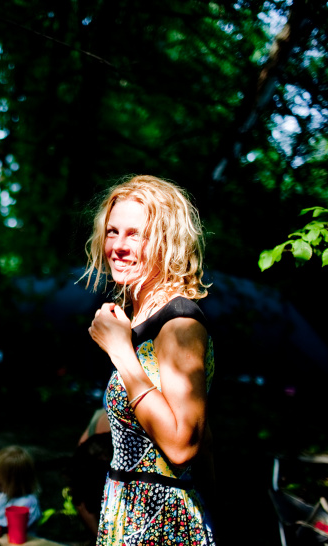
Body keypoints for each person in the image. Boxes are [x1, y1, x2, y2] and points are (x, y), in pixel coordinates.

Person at [84, 174, 216, 545]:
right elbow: (204, 434)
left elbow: (182, 445)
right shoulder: (140, 317)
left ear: (166, 241)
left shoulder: (180, 321)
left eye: (135, 235)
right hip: (128, 515)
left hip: (163, 524)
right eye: (112, 232)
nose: (118, 246)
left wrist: (119, 351)